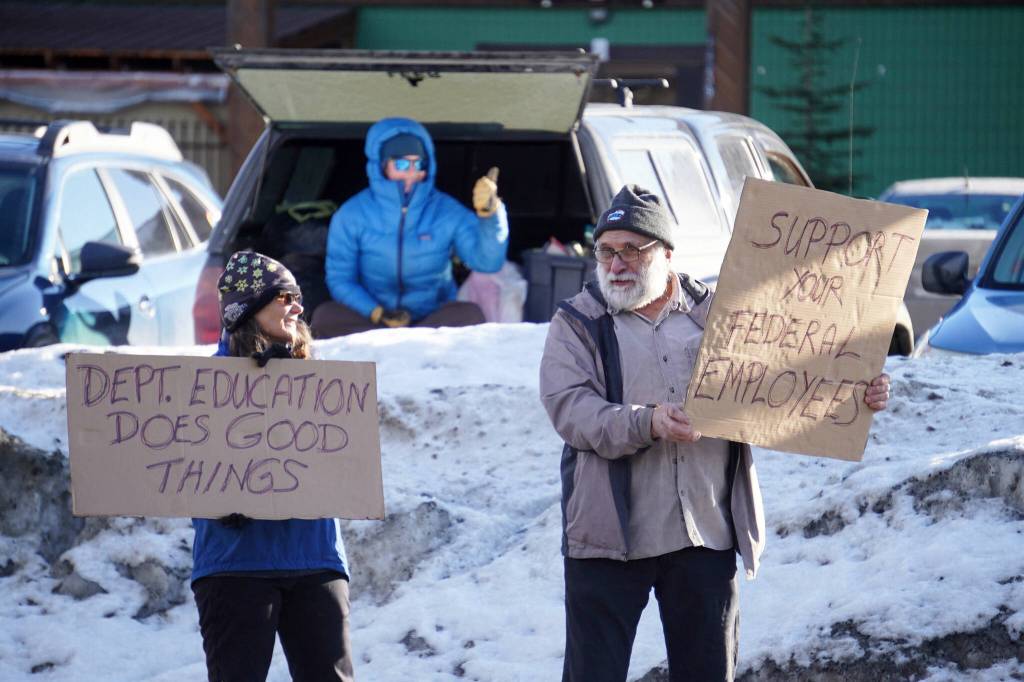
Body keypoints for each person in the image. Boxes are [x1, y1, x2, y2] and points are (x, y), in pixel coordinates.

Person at [538, 185, 892, 682]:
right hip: (609, 539)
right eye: (606, 251)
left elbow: (787, 377)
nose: (616, 264)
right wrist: (648, 421)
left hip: (703, 534)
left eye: (631, 250)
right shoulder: (577, 322)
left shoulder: (722, 313)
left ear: (665, 254)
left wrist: (855, 390)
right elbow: (571, 410)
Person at [191, 250, 354, 682]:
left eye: (298, 296)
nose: (298, 307)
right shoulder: (196, 390)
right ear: (248, 307)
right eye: (285, 296)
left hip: (315, 557)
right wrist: (222, 497)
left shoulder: (320, 384)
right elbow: (179, 472)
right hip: (235, 563)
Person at [311, 117, 509, 337]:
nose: (412, 173)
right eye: (402, 164)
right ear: (382, 165)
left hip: (431, 321)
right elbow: (340, 278)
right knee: (324, 316)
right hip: (371, 319)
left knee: (469, 315)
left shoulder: (447, 211)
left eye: (419, 164)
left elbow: (488, 263)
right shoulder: (351, 214)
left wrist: (491, 216)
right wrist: (377, 312)